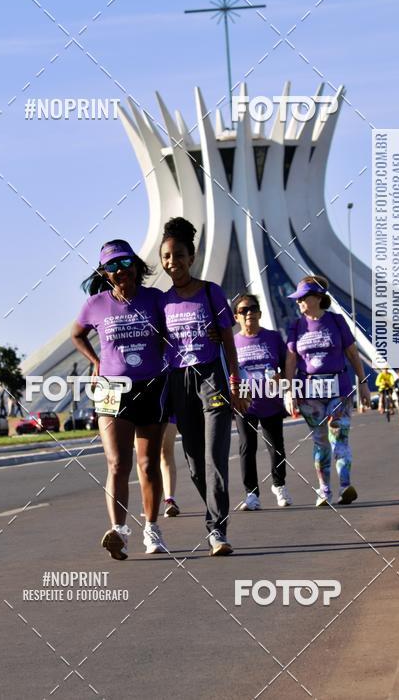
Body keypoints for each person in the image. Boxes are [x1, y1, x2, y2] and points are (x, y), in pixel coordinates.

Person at [71, 239, 169, 560]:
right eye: (112, 266)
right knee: (117, 464)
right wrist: (96, 361)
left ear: (137, 266)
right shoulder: (96, 304)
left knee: (148, 464)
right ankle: (120, 533)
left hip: (151, 386)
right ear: (105, 273)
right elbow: (77, 333)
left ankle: (152, 529)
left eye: (125, 263)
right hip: (112, 390)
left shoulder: (155, 300)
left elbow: (178, 329)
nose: (120, 270)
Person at [160, 217, 250, 556]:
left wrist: (235, 382)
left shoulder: (211, 292)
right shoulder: (161, 301)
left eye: (179, 255)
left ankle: (217, 530)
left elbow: (228, 339)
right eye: (167, 257)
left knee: (215, 456)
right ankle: (215, 510)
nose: (173, 263)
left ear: (191, 256)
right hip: (178, 380)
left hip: (211, 376)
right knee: (195, 461)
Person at [283, 275, 371, 507]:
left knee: (339, 437)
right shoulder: (296, 326)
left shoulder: (336, 321)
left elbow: (353, 354)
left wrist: (363, 382)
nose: (299, 302)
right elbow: (291, 361)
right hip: (310, 393)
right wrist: (289, 391)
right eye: (298, 298)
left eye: (303, 297)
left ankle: (345, 486)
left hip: (338, 389)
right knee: (320, 441)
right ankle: (324, 490)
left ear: (317, 297)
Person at [233, 293, 292, 510]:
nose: (249, 313)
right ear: (236, 316)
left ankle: (279, 485)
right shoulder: (232, 342)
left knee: (276, 446)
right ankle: (251, 494)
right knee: (247, 446)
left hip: (271, 402)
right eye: (243, 310)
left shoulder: (273, 338)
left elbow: (287, 366)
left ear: (260, 312)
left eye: (253, 309)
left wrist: (282, 380)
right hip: (245, 403)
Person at [160, 417, 180, 516]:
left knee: (165, 452)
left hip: (167, 407)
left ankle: (169, 500)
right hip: (139, 408)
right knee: (146, 457)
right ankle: (149, 498)